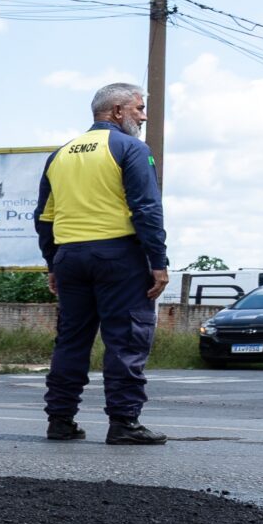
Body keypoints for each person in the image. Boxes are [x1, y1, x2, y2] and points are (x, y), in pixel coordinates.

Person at [37, 82, 170, 445]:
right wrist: (158, 261)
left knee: (71, 340)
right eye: (139, 109)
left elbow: (44, 217)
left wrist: (52, 262)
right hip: (118, 256)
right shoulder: (131, 148)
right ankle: (124, 423)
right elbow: (146, 209)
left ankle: (60, 420)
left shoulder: (60, 155)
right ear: (117, 111)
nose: (143, 117)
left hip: (70, 258)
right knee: (126, 338)